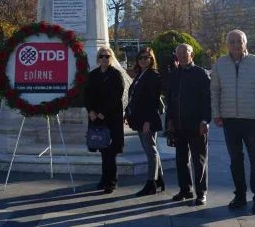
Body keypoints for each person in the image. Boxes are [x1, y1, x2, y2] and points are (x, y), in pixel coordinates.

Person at [211, 30, 255, 215]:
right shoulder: (220, 64)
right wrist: (216, 113)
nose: (236, 45)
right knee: (235, 161)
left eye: (239, 41)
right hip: (230, 120)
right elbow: (214, 90)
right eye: (232, 41)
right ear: (227, 44)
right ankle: (239, 196)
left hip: (252, 120)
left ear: (245, 43)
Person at [165, 44, 211, 206]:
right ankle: (185, 189)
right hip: (178, 124)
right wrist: (169, 120)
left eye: (186, 53)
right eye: (179, 53)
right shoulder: (174, 74)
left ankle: (201, 192)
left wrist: (205, 120)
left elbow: (207, 100)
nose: (183, 56)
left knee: (199, 160)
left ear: (192, 54)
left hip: (196, 124)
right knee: (181, 159)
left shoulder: (201, 73)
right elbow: (170, 100)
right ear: (176, 56)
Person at [84, 47, 125, 194]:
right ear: (98, 58)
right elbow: (87, 95)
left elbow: (116, 97)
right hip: (96, 118)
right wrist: (91, 111)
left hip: (111, 118)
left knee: (110, 151)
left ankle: (111, 181)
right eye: (101, 56)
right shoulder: (93, 74)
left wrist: (103, 112)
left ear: (111, 58)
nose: (104, 59)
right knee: (102, 149)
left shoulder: (116, 75)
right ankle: (104, 179)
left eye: (107, 56)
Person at [125, 47, 165, 196]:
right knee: (151, 149)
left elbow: (152, 100)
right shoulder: (141, 74)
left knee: (150, 151)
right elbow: (134, 96)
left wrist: (148, 121)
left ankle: (151, 183)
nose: (143, 60)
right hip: (139, 118)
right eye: (140, 57)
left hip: (147, 119)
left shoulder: (153, 75)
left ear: (151, 59)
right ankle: (159, 178)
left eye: (146, 57)